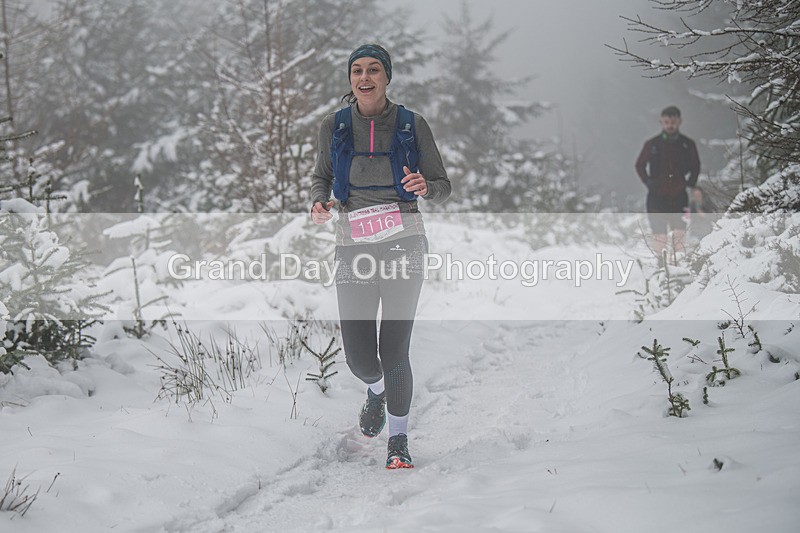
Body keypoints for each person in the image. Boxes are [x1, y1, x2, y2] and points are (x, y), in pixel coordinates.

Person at [310, 44, 451, 469]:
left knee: (395, 349)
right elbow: (322, 177)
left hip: (404, 239)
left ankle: (399, 441)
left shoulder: (411, 124)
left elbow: (442, 183)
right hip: (353, 243)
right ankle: (375, 391)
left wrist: (427, 187)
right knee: (357, 356)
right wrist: (320, 202)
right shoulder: (333, 125)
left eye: (374, 70)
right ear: (350, 79)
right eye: (357, 70)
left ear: (387, 77)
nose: (365, 77)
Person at [635, 106, 700, 263]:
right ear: (661, 123)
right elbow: (639, 165)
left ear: (679, 122)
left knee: (680, 232)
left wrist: (689, 183)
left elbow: (696, 165)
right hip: (656, 196)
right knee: (659, 234)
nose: (670, 125)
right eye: (666, 122)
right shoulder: (652, 144)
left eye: (673, 122)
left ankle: (680, 264)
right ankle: (661, 264)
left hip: (680, 196)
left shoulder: (687, 144)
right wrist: (648, 181)